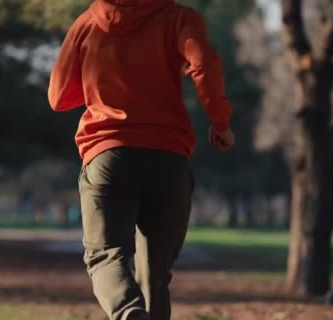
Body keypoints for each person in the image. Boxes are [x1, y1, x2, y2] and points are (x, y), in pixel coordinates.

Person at [48, 0, 234, 319]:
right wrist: (220, 122)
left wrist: (103, 84)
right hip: (168, 157)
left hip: (107, 153)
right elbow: (203, 64)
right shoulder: (178, 18)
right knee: (155, 273)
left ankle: (128, 312)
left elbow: (58, 96)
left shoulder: (88, 21)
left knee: (106, 255)